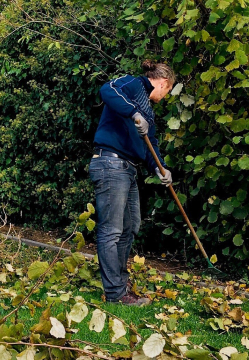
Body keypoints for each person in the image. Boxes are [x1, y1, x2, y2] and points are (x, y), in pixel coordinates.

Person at [90, 59, 176, 306]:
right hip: (110, 164)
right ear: (163, 83)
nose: (165, 96)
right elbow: (108, 90)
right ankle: (116, 294)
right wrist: (133, 112)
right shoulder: (131, 84)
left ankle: (119, 282)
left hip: (128, 169)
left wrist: (161, 168)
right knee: (112, 230)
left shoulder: (148, 110)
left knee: (130, 227)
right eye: (168, 91)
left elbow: (150, 146)